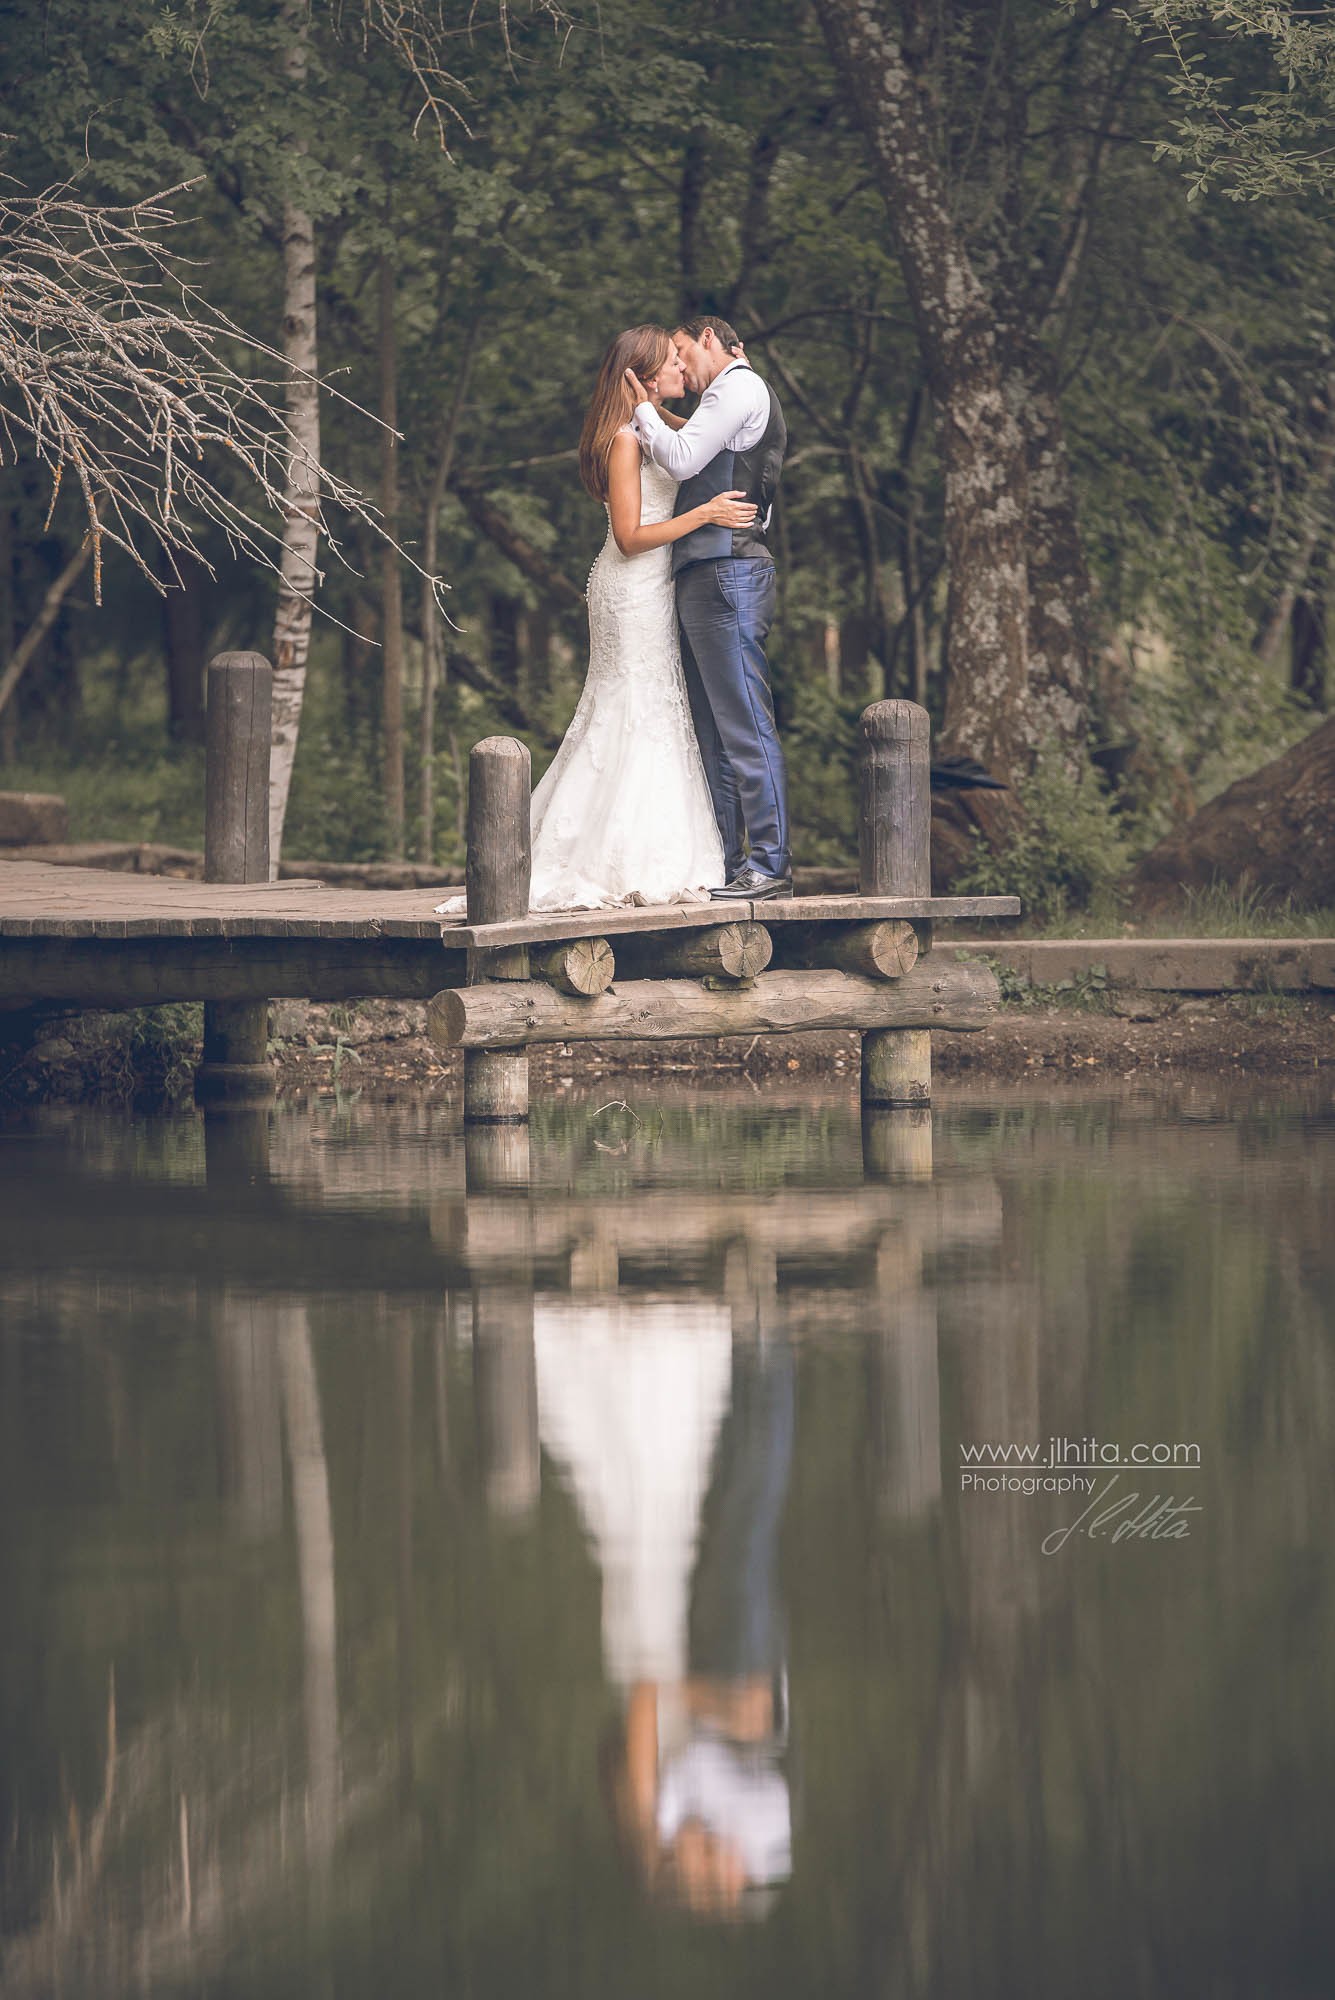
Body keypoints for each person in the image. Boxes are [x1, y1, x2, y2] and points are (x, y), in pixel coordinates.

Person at [525, 325, 760, 911]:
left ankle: (663, 850)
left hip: (654, 588)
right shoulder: (626, 440)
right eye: (672, 364)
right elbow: (630, 538)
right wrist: (706, 513)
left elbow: (710, 437)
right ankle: (612, 857)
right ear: (645, 376)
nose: (683, 368)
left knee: (658, 709)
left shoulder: (659, 426)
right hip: (631, 588)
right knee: (633, 708)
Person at [627, 315, 791, 901]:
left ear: (708, 340)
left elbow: (681, 460)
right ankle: (726, 862)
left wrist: (640, 405)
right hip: (709, 572)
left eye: (679, 351)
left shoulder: (737, 387)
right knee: (714, 735)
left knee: (744, 725)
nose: (680, 366)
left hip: (728, 573)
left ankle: (770, 866)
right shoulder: (727, 399)